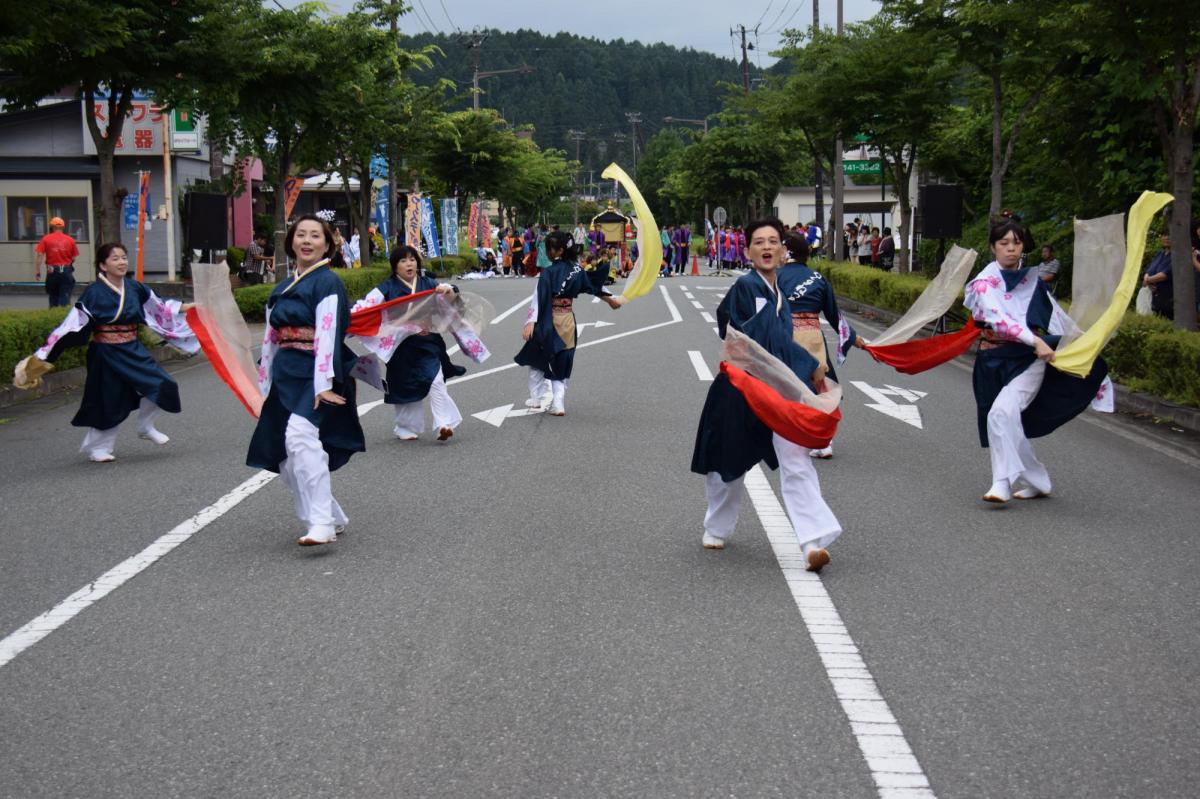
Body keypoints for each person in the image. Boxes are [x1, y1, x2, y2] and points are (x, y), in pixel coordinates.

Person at [691, 218, 841, 573]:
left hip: (776, 390)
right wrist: (809, 362)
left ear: (784, 251)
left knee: (795, 459)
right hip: (741, 388)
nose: (767, 247)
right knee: (726, 467)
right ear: (747, 252)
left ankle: (813, 541)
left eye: (774, 241)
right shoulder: (746, 287)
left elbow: (775, 339)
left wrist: (807, 367)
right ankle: (717, 526)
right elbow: (759, 337)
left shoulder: (778, 295)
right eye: (759, 242)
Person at [965, 218, 1108, 503]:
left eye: (1016, 243)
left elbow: (1055, 317)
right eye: (1004, 243)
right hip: (992, 359)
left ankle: (1001, 483)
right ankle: (1037, 479)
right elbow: (998, 319)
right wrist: (1036, 340)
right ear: (993, 247)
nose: (1011, 249)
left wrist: (1084, 344)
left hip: (1028, 359)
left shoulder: (1032, 281)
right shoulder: (983, 283)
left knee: (1001, 414)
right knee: (1006, 419)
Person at [19, 243, 199, 462]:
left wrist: (187, 307)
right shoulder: (94, 292)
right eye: (115, 259)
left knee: (164, 384)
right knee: (109, 398)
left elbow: (159, 306)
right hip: (105, 352)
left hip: (132, 348)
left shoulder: (135, 287)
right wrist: (43, 355)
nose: (122, 262)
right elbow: (73, 324)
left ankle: (145, 426)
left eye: (124, 257)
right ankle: (99, 448)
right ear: (103, 265)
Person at [246, 214, 365, 546]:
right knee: (282, 454)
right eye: (302, 235)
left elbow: (328, 333)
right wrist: (264, 385)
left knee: (300, 439)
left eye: (315, 235)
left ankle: (321, 523)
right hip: (285, 373)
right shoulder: (281, 288)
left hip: (317, 372)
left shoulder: (327, 282)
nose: (307, 241)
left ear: (327, 244)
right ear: (292, 242)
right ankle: (330, 516)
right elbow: (270, 341)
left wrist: (324, 383)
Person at [353, 245, 462, 442]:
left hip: (427, 341)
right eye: (403, 260)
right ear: (395, 266)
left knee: (436, 379)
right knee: (405, 385)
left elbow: (451, 299)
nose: (409, 263)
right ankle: (405, 426)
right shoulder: (386, 288)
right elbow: (365, 307)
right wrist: (350, 320)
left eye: (412, 259)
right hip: (400, 346)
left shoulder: (428, 283)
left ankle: (443, 424)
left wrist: (450, 291)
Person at [514, 231, 623, 416]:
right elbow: (593, 285)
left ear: (559, 251)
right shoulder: (577, 270)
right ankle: (558, 402)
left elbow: (538, 298)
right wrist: (612, 299)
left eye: (550, 248)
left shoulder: (549, 272)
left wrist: (530, 321)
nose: (547, 251)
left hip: (548, 320)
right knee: (562, 360)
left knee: (536, 358)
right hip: (567, 320)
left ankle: (536, 397)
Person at [779, 233, 867, 459]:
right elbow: (834, 315)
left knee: (785, 386)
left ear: (786, 252)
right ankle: (823, 441)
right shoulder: (818, 279)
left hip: (785, 336)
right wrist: (853, 337)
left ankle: (791, 436)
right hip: (813, 336)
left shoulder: (775, 278)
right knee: (821, 386)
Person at [34, 216, 80, 307]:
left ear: (52, 227)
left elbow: (39, 256)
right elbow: (74, 257)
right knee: (65, 298)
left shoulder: (46, 239)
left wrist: (37, 272)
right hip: (66, 270)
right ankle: (65, 317)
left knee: (53, 297)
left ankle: (53, 315)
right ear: (63, 227)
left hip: (51, 271)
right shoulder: (70, 240)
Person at [1143, 233, 1173, 319]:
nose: (1166, 237)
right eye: (1164, 235)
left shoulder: (1177, 255)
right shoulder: (1160, 253)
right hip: (1156, 296)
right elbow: (1150, 270)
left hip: (1169, 297)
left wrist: (1148, 280)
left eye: (1169, 235)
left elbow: (1165, 274)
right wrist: (1147, 279)